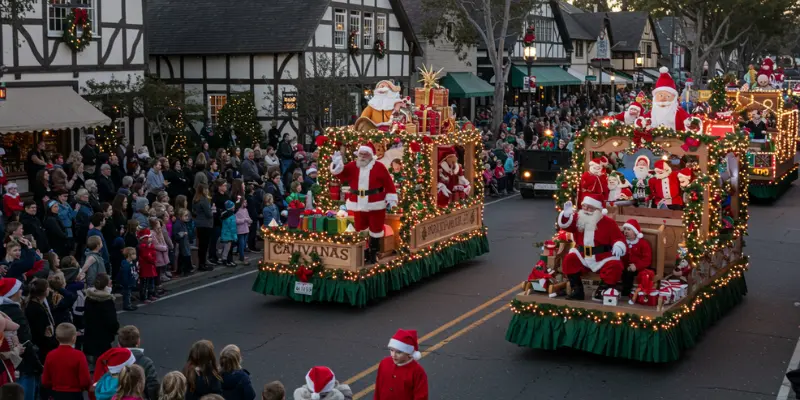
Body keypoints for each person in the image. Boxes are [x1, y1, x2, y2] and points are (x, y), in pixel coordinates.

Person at [329, 143, 398, 264]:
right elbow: (341, 174)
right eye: (360, 154)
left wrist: (391, 199)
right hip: (357, 203)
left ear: (371, 155)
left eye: (365, 154)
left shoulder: (379, 167)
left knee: (376, 229)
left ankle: (373, 252)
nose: (362, 157)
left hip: (375, 203)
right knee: (360, 228)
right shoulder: (353, 166)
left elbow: (388, 183)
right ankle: (364, 251)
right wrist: (337, 164)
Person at [557, 195, 626, 301]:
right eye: (584, 206)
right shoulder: (579, 220)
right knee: (570, 260)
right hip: (583, 255)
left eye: (590, 208)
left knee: (615, 266)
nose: (586, 210)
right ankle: (577, 290)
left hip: (602, 257)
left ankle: (602, 290)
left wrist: (618, 245)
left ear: (598, 210)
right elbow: (567, 226)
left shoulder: (609, 223)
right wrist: (566, 215)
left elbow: (618, 237)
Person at [0, 278, 42, 400]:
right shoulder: (14, 312)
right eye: (19, 289)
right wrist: (37, 364)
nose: (21, 292)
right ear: (13, 292)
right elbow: (25, 338)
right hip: (18, 361)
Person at [42, 323, 92, 400]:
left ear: (57, 337)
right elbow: (84, 381)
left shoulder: (50, 355)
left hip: (56, 394)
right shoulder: (79, 355)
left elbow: (45, 380)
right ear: (73, 338)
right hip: (74, 394)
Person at [374, 329, 428, 400]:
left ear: (409, 353)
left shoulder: (418, 372)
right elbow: (378, 388)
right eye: (391, 350)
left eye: (399, 352)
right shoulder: (384, 363)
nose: (393, 355)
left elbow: (421, 397)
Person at [84, 273, 119, 366]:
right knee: (104, 360)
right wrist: (115, 329)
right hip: (104, 335)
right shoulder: (107, 301)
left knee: (95, 356)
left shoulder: (89, 298)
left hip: (91, 332)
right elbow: (111, 320)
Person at [25, 279, 59, 372]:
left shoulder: (34, 304)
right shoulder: (37, 309)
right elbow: (40, 331)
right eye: (47, 288)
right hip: (42, 346)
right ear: (44, 291)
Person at [118, 326, 159, 400]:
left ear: (119, 344)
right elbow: (153, 387)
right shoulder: (146, 362)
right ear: (138, 342)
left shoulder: (113, 362)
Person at [620, 219, 653, 297]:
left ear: (635, 232)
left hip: (639, 267)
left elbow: (647, 260)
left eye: (629, 229)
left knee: (629, 273)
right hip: (625, 266)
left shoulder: (643, 244)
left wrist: (636, 266)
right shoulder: (622, 242)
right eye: (625, 229)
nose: (626, 231)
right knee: (622, 271)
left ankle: (627, 292)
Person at [219, 201, 237, 268]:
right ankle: (227, 260)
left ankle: (227, 260)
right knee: (229, 248)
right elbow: (232, 227)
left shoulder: (224, 214)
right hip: (229, 235)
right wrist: (235, 236)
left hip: (224, 233)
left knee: (226, 248)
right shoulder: (231, 216)